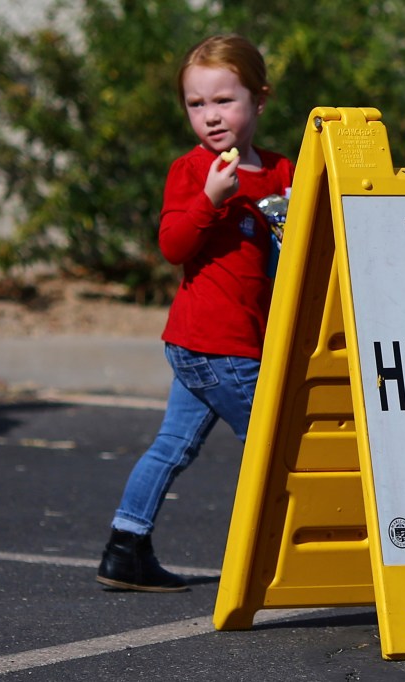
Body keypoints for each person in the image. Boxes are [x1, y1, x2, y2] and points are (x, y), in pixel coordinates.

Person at [96, 34, 295, 592]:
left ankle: (125, 548)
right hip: (214, 343)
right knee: (277, 445)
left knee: (172, 446)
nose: (210, 116)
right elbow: (173, 246)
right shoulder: (191, 171)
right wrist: (209, 200)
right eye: (196, 104)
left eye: (224, 101)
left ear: (259, 100)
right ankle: (286, 555)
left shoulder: (282, 171)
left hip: (227, 342)